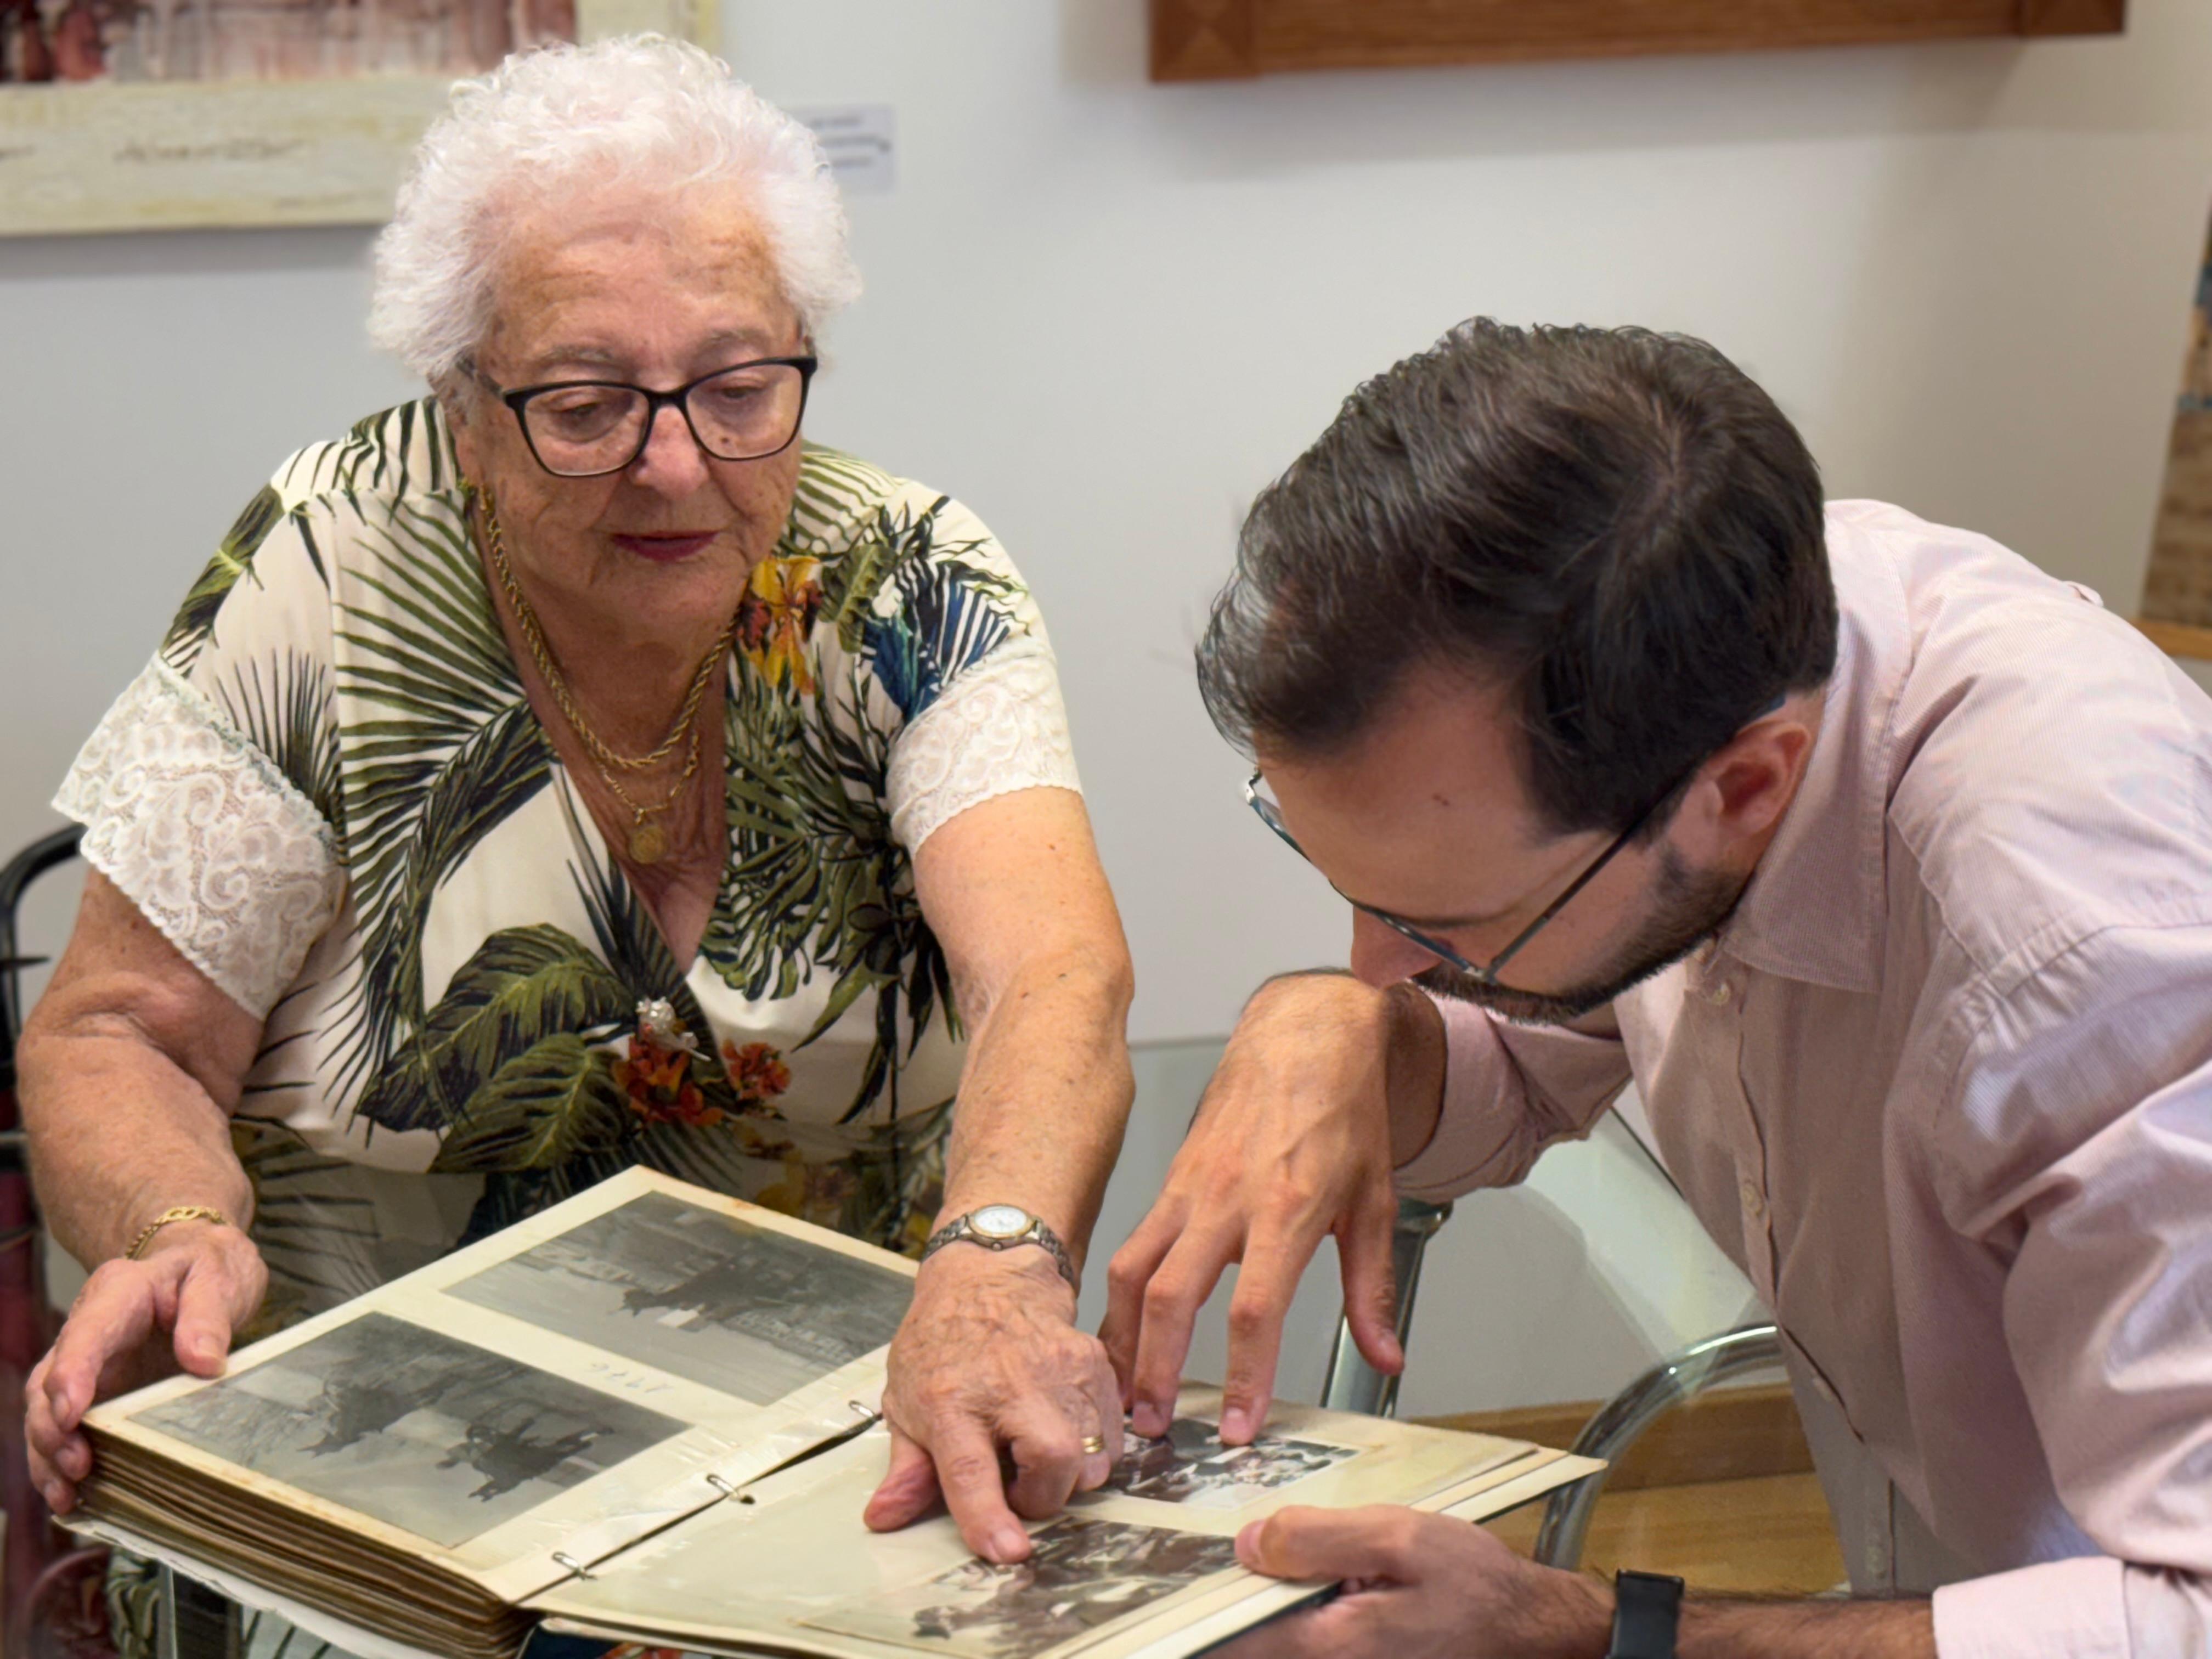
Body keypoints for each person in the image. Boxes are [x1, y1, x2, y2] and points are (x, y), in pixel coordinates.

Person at [21, 35, 1134, 1607]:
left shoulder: (905, 583)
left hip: (854, 1437)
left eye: (740, 386)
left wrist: (1000, 1259)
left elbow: (1056, 972)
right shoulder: (331, 575)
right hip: (377, 1471)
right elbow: (114, 1033)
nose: (675, 460)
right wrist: (177, 1223)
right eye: (588, 402)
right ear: (463, 404)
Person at [1104, 319, 2212, 1657]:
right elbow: (1529, 1048)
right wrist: (1330, 1031)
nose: (1374, 960)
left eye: (1440, 920)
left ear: (1743, 788)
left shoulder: (2088, 950)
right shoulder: (1700, 638)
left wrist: (1590, 1632)